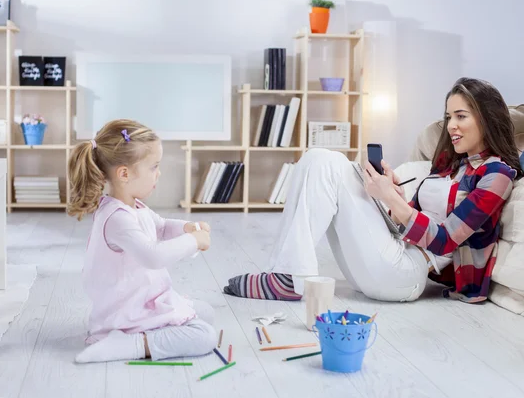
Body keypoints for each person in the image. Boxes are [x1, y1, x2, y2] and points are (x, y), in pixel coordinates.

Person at [224, 77, 523, 303]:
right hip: (389, 255)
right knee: (320, 157)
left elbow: (445, 241)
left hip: (406, 275)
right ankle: (287, 274)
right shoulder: (451, 163)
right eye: (448, 117)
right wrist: (394, 196)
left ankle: (289, 278)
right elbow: (417, 219)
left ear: (485, 119)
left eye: (461, 116)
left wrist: (391, 198)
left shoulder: (496, 175)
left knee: (328, 162)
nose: (451, 126)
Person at [67, 119, 217, 363]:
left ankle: (156, 325)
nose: (159, 172)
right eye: (154, 167)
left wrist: (187, 228)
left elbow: (161, 226)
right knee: (205, 336)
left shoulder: (133, 207)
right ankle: (131, 343)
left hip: (140, 299)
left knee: (206, 312)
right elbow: (153, 257)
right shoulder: (116, 218)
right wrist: (194, 241)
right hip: (125, 311)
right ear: (124, 174)